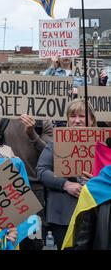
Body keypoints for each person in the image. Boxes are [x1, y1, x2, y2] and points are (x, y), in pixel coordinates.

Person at [36, 99, 97, 249]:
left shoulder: (102, 143)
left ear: (92, 119)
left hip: (95, 212)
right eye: (72, 116)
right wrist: (66, 184)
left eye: (82, 116)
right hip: (63, 215)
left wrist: (96, 180)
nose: (77, 121)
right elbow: (42, 171)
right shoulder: (56, 142)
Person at [0, 113, 53, 250]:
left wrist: (32, 134)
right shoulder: (1, 123)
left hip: (34, 189)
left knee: (34, 239)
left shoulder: (42, 123)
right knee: (12, 235)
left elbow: (50, 155)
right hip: (8, 188)